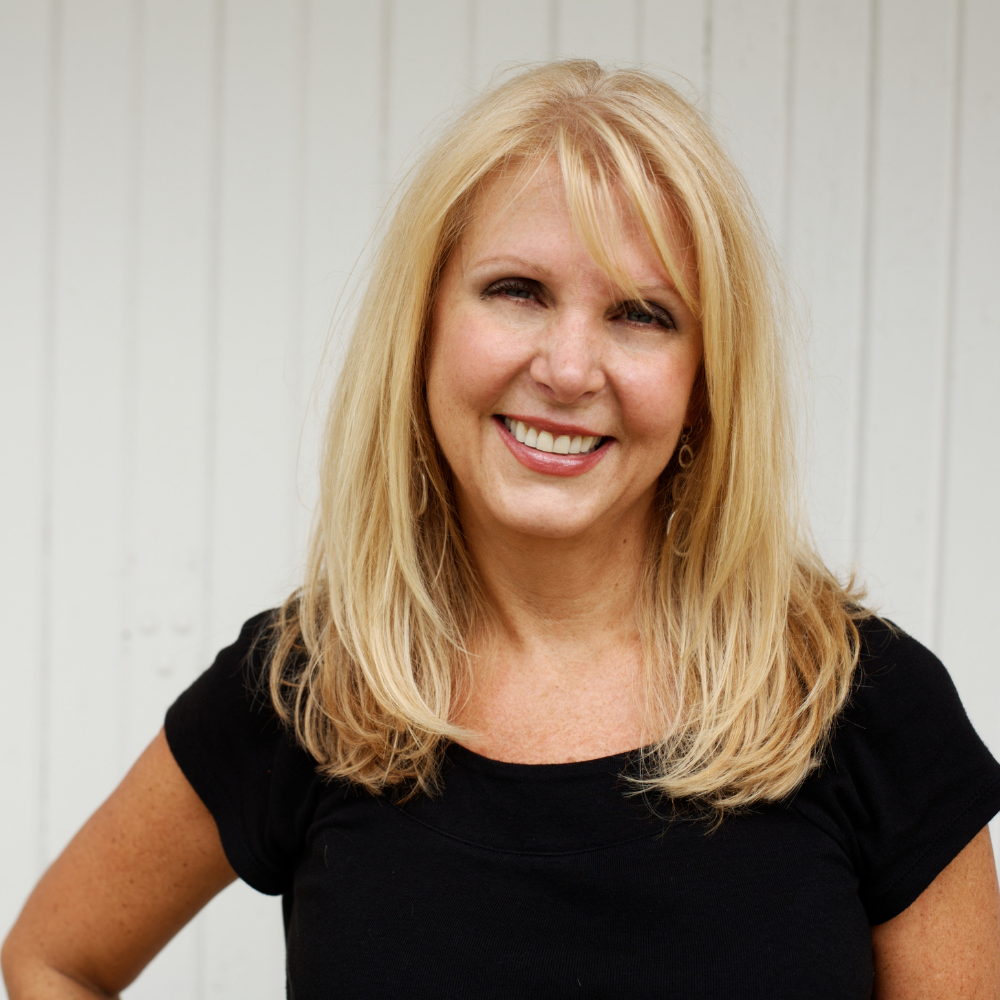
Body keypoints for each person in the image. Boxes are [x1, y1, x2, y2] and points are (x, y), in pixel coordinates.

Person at [3, 60, 999, 999]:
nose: (567, 369)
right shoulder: (309, 689)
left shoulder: (864, 705)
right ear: (426, 327)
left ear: (706, 379)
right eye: (517, 291)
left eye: (641, 313)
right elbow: (53, 960)